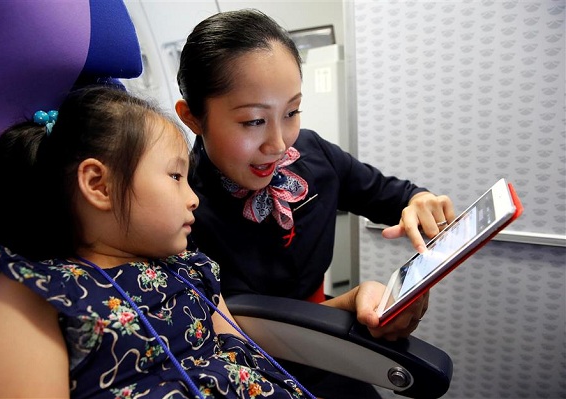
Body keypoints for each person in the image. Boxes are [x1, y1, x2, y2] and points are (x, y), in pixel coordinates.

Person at [0, 86, 315, 399]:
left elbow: (247, 359)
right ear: (99, 185)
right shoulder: (31, 295)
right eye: (176, 176)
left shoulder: (190, 271)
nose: (193, 199)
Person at [174, 9, 455, 398]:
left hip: (335, 353)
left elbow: (393, 194)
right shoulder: (179, 206)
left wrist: (420, 202)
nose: (278, 144)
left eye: (291, 112)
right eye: (253, 121)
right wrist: (352, 303)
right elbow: (228, 331)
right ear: (193, 118)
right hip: (253, 374)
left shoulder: (312, 153)